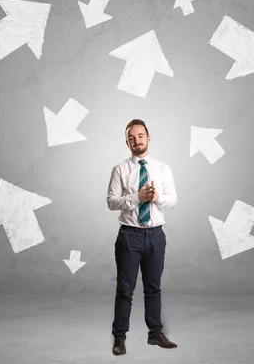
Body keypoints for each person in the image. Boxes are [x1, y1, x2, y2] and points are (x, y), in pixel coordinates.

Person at [106, 119, 178, 356]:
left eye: (140, 136)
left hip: (156, 235)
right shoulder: (120, 169)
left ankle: (155, 333)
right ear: (127, 142)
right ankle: (119, 337)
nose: (136, 141)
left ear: (149, 137)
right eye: (132, 138)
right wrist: (137, 197)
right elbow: (111, 202)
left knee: (153, 287)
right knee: (125, 289)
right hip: (130, 236)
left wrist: (157, 197)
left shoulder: (163, 168)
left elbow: (173, 200)